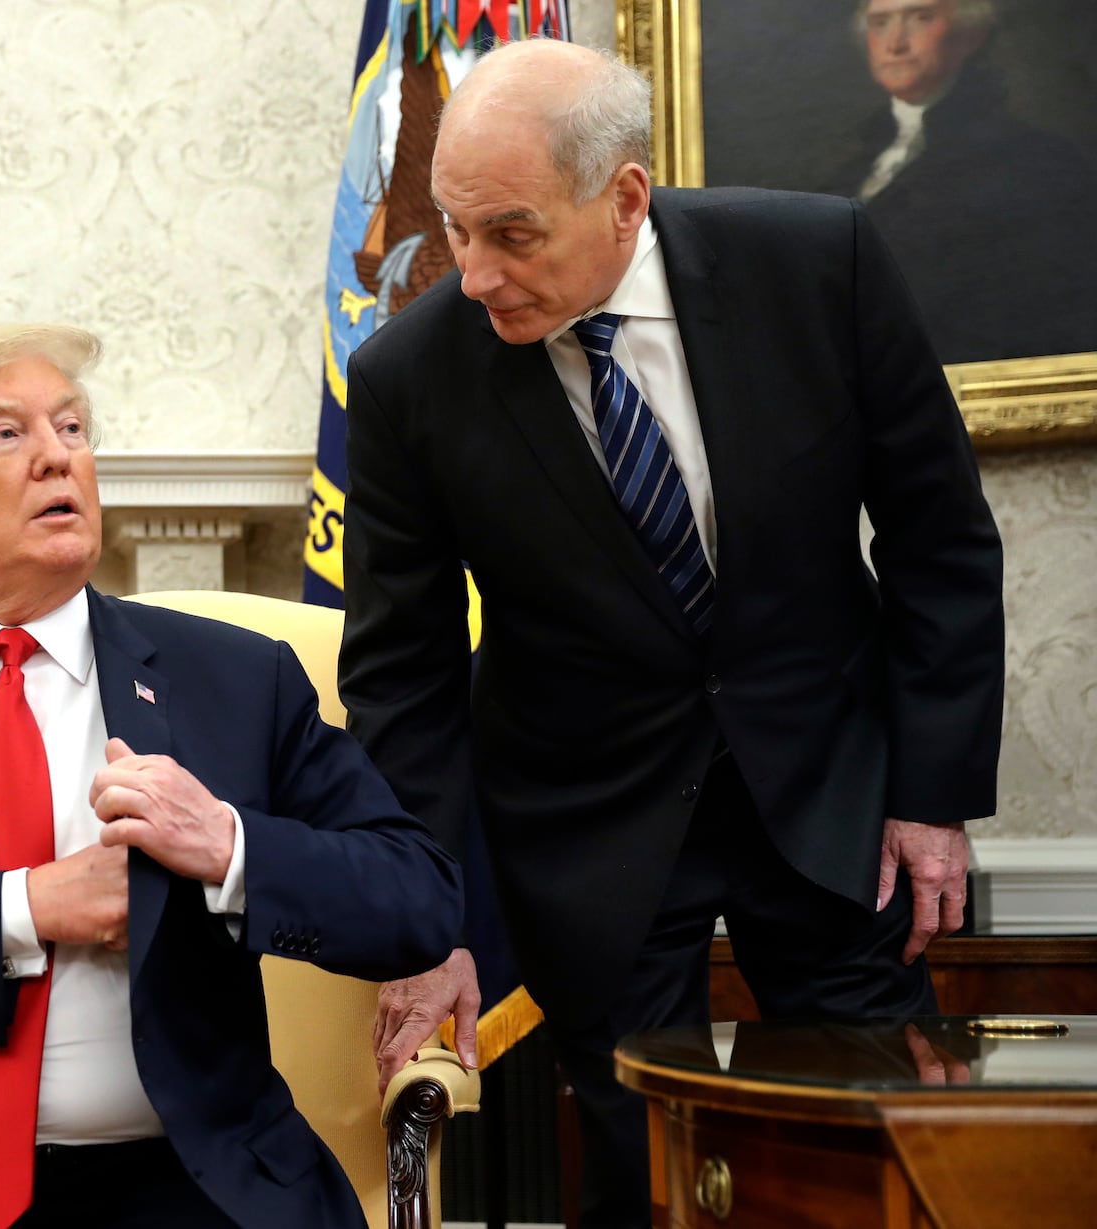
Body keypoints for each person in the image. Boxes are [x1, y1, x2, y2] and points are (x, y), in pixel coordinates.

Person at [340, 39, 1004, 1229]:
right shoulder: (407, 377)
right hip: (588, 820)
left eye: (512, 233)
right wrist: (427, 919)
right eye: (455, 226)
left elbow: (937, 540)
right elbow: (405, 674)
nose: (476, 273)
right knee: (635, 1168)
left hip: (828, 790)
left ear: (624, 196)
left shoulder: (815, 261)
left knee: (869, 1145)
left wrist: (932, 792)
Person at [0, 322, 463, 1229]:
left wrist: (229, 850)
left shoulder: (235, 678)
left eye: (71, 428)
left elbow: (419, 899)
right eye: (6, 433)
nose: (57, 459)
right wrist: (27, 907)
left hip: (187, 1179)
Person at [821, 0, 1096, 362]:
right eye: (880, 23)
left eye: (920, 18)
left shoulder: (1031, 160)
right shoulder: (853, 170)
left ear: (972, 34)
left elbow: (1038, 315)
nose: (895, 44)